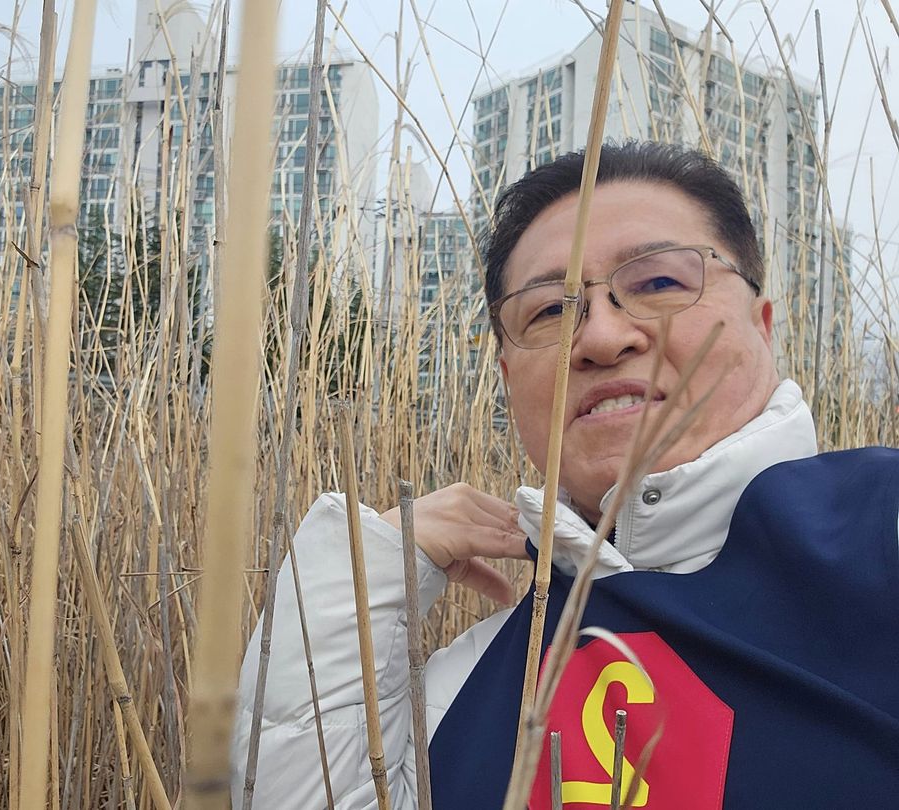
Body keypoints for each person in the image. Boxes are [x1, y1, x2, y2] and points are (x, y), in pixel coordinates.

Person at [230, 142, 899, 808]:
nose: (602, 337)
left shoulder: (882, 532)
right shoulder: (467, 687)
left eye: (660, 283)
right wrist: (367, 568)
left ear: (763, 325)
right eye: (550, 310)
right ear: (507, 378)